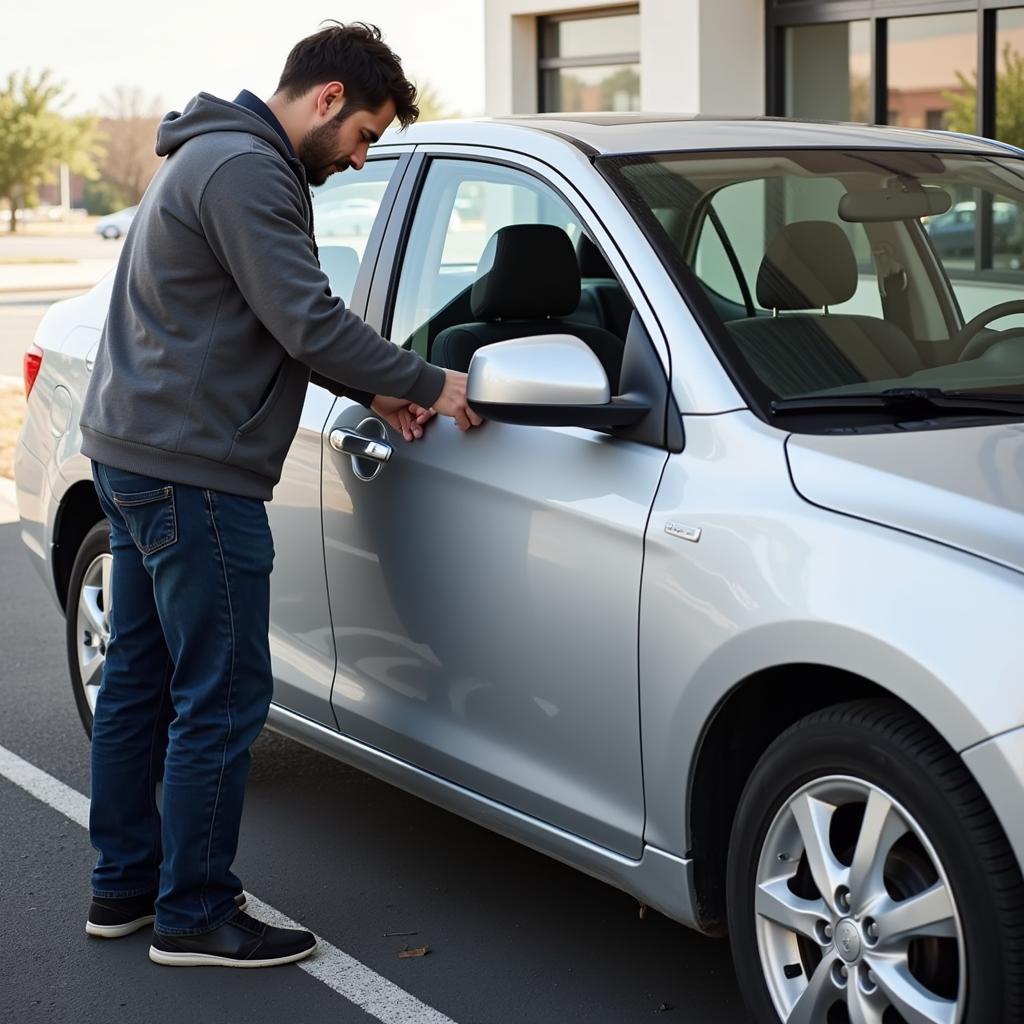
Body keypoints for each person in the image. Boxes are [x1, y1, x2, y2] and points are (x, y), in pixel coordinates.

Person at [78, 21, 482, 969]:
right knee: (222, 694)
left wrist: (372, 383)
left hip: (139, 454)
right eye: (366, 135)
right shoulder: (250, 172)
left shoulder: (207, 156)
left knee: (141, 682)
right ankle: (195, 913)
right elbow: (306, 318)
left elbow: (263, 321)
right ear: (329, 100)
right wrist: (428, 383)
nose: (362, 157)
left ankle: (124, 889)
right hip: (193, 472)